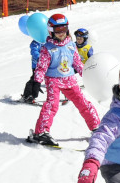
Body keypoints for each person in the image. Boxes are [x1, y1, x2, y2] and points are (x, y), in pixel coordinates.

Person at [27, 14, 100, 147]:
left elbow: (77, 64)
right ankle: (41, 132)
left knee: (83, 103)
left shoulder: (71, 45)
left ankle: (96, 127)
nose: (61, 33)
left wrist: (88, 75)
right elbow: (41, 67)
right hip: (53, 81)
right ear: (51, 31)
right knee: (52, 105)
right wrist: (36, 82)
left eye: (64, 29)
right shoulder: (47, 48)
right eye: (58, 30)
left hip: (70, 80)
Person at [20, 39, 42, 104]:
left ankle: (32, 96)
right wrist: (40, 58)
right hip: (36, 65)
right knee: (34, 79)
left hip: (44, 65)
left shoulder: (46, 42)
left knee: (38, 81)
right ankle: (27, 95)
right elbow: (34, 51)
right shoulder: (35, 43)